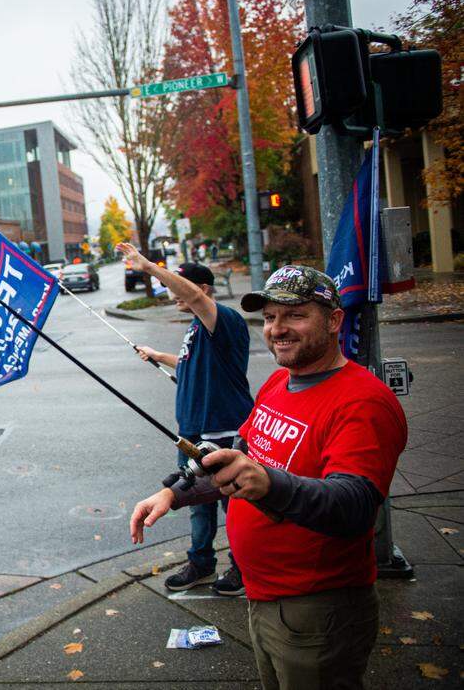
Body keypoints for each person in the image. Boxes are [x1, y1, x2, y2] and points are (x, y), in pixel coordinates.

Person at [130, 265, 407, 690]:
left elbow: (354, 506)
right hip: (264, 599)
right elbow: (239, 460)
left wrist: (270, 484)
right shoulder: (279, 383)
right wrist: (174, 492)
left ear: (334, 320)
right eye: (272, 316)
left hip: (316, 609)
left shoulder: (364, 401)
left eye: (295, 315)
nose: (278, 328)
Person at [116, 243, 252, 596]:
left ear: (202, 290)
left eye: (178, 284)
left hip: (222, 433)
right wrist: (157, 355)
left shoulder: (223, 320)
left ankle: (243, 568)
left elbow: (189, 293)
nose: (171, 292)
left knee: (234, 507)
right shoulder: (197, 328)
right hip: (190, 433)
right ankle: (201, 562)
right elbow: (190, 364)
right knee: (196, 504)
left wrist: (148, 266)